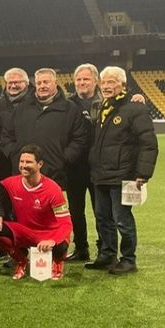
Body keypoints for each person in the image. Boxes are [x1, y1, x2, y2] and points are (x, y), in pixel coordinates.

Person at [86, 66, 158, 275]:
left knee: (122, 220)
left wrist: (143, 173)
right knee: (103, 218)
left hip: (124, 176)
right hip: (101, 175)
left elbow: (148, 143)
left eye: (111, 82)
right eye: (104, 82)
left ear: (122, 85)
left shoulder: (135, 108)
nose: (106, 86)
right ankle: (108, 255)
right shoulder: (102, 107)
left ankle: (128, 259)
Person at [0, 145, 73, 280]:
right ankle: (21, 261)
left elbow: (66, 223)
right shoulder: (10, 183)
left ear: (40, 164)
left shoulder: (53, 189)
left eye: (28, 162)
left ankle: (57, 262)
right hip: (25, 232)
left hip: (49, 233)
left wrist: (53, 240)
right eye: (21, 162)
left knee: (61, 243)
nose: (23, 165)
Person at [8, 67, 89, 188]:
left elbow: (80, 138)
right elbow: (7, 135)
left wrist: (63, 159)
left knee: (54, 206)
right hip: (25, 175)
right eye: (39, 83)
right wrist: (15, 155)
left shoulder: (70, 109)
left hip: (57, 175)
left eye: (46, 82)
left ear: (56, 83)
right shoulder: (22, 108)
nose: (42, 86)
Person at [67, 63, 102, 260]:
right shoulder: (68, 104)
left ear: (95, 81)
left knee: (101, 211)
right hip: (75, 167)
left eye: (86, 79)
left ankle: (104, 249)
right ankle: (81, 248)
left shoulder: (106, 101)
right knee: (76, 211)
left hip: (99, 167)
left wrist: (138, 98)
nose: (81, 83)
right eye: (78, 80)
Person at [0, 67, 32, 184]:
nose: (13, 86)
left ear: (26, 83)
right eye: (10, 83)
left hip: (30, 157)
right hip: (3, 160)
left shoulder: (35, 102)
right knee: (3, 196)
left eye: (17, 82)